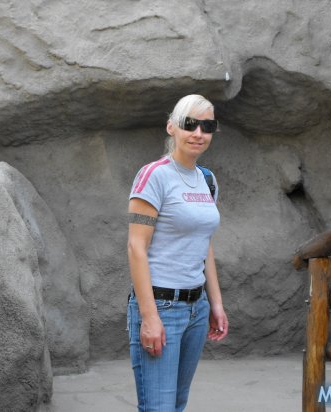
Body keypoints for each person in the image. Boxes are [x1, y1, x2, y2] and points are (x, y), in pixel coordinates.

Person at [127, 94, 229, 411]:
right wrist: (149, 317)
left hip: (196, 308)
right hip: (161, 305)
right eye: (190, 124)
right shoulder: (154, 175)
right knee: (159, 407)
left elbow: (204, 243)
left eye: (207, 126)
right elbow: (136, 247)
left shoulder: (207, 180)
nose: (198, 133)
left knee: (177, 404)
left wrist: (215, 303)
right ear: (172, 127)